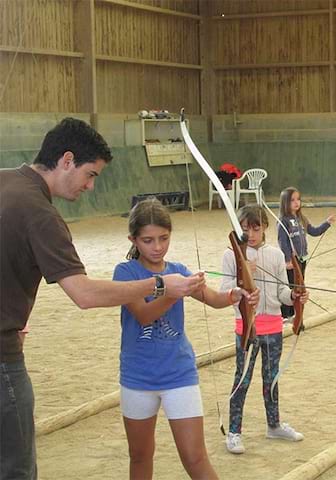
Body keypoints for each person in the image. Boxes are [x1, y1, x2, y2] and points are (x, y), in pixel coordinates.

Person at [0, 117, 204, 480]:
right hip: (3, 357)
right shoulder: (41, 213)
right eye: (90, 174)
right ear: (66, 161)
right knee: (16, 468)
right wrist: (159, 285)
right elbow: (85, 294)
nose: (91, 186)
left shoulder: (4, 179)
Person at [113, 199, 258, 479]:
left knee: (195, 457)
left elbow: (214, 298)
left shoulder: (177, 269)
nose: (157, 247)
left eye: (164, 238)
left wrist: (237, 296)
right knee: (140, 455)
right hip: (137, 376)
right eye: (148, 240)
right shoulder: (126, 272)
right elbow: (143, 314)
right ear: (133, 239)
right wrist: (173, 290)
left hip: (179, 374)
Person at [220, 205, 309, 455]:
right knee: (243, 380)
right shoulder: (232, 254)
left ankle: (274, 424)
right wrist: (241, 282)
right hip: (248, 326)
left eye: (256, 227)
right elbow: (224, 288)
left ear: (264, 227)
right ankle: (235, 431)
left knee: (271, 380)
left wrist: (294, 295)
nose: (250, 233)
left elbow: (281, 292)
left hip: (273, 326)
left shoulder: (276, 254)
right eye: (245, 228)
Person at [277, 187, 335, 321]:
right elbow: (282, 241)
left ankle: (294, 312)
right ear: (285, 202)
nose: (296, 202)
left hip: (302, 259)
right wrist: (287, 259)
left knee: (299, 286)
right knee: (289, 286)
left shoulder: (301, 218)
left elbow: (314, 231)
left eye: (298, 199)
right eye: (292, 200)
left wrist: (327, 224)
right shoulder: (283, 221)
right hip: (291, 261)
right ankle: (285, 314)